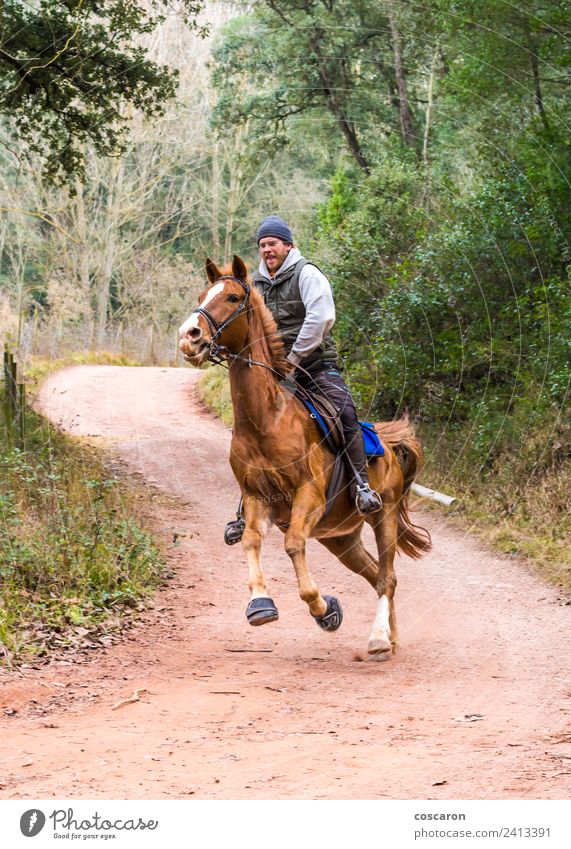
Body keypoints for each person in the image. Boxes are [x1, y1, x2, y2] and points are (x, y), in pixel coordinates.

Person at [224, 215, 382, 544]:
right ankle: (245, 508)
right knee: (253, 428)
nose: (267, 250)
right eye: (262, 245)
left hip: (314, 365)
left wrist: (293, 359)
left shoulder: (307, 274)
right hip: (276, 373)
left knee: (344, 412)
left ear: (288, 245)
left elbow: (322, 316)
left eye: (273, 244)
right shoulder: (256, 284)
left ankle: (362, 486)